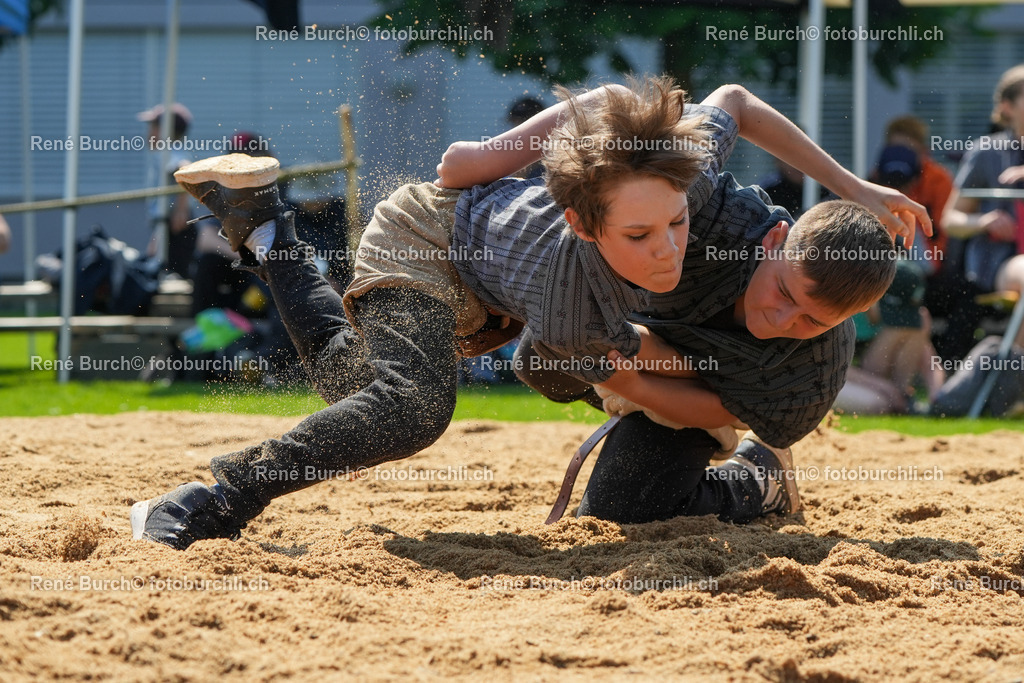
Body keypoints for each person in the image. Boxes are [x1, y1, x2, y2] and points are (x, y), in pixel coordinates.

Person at [130, 76, 718, 549]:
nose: (667, 244)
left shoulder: (692, 202)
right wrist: (495, 153)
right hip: (428, 236)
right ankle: (213, 499)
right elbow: (650, 97)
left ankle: (267, 233)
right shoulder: (676, 184)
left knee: (353, 381)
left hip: (481, 269)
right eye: (643, 233)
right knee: (414, 404)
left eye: (675, 225)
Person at [438, 85, 930, 525]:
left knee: (623, 515)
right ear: (774, 242)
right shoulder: (697, 199)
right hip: (637, 340)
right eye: (783, 293)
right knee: (543, 360)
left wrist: (631, 381)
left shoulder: (814, 371)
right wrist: (856, 188)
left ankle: (761, 479)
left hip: (700, 398)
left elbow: (722, 407)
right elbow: (734, 101)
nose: (781, 320)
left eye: (812, 321)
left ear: (850, 321)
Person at [943, 64, 1024, 348]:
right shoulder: (987, 152)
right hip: (1003, 262)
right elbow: (950, 219)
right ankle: (1009, 374)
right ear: (1007, 106)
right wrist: (984, 221)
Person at [138, 103, 198, 279]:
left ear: (165, 131)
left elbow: (185, 169)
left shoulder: (170, 152)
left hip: (176, 225)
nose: (148, 133)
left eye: (153, 127)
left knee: (175, 279)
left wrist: (181, 208)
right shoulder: (165, 153)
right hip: (166, 226)